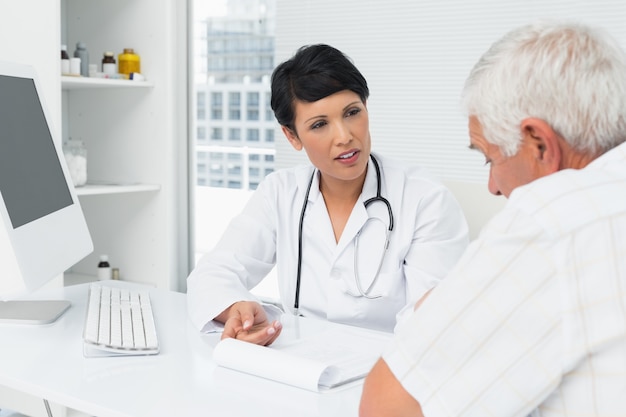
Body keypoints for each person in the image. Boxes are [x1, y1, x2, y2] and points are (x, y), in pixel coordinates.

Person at [360, 20, 626, 417]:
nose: (492, 187)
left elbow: (389, 404)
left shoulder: (555, 221)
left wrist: (438, 312)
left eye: (490, 157)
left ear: (539, 144)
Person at [186, 44, 469, 346]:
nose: (345, 136)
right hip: (299, 363)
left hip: (387, 367)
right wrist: (236, 310)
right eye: (320, 124)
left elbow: (433, 318)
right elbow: (213, 272)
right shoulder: (281, 192)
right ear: (292, 136)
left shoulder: (425, 200)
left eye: (352, 113)